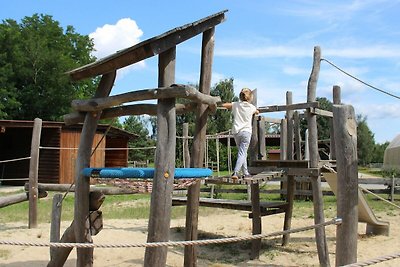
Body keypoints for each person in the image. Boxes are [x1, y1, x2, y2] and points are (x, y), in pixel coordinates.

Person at [221, 88, 259, 179]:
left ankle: (246, 173)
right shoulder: (252, 107)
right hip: (246, 132)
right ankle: (236, 172)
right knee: (242, 153)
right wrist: (256, 112)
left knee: (242, 153)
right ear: (250, 97)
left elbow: (225, 105)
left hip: (236, 132)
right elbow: (257, 111)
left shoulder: (235, 105)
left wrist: (219, 105)